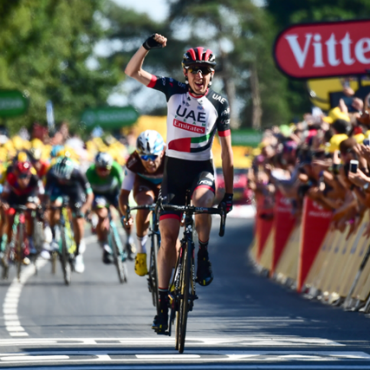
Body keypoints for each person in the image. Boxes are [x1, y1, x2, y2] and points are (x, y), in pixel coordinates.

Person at [125, 34, 234, 333]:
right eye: (194, 70)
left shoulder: (219, 103)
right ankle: (162, 307)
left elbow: (226, 152)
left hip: (202, 170)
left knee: (201, 204)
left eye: (205, 70)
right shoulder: (172, 90)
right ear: (185, 73)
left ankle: (203, 252)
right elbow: (131, 72)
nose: (200, 75)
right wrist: (146, 46)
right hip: (174, 173)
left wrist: (230, 194)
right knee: (168, 237)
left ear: (212, 74)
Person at [119, 130, 165, 276]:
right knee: (145, 205)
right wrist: (126, 214)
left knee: (171, 231)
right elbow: (124, 195)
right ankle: (141, 252)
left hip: (167, 185)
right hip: (144, 185)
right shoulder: (133, 161)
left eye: (154, 157)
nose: (150, 162)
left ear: (162, 152)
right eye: (144, 156)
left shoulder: (172, 156)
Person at [45, 156, 93, 273]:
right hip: (58, 190)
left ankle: (78, 251)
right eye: (59, 178)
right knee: (54, 205)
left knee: (78, 219)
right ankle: (54, 235)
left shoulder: (78, 173)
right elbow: (46, 195)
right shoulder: (51, 173)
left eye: (64, 178)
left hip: (74, 190)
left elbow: (89, 195)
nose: (62, 180)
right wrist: (45, 208)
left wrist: (83, 210)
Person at [86, 152, 129, 263]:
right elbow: (87, 194)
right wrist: (90, 210)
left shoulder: (116, 168)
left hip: (113, 192)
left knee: (124, 211)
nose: (103, 172)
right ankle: (104, 245)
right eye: (100, 169)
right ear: (95, 167)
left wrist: (122, 205)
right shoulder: (89, 173)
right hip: (98, 195)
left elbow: (123, 188)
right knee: (102, 214)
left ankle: (129, 239)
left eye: (106, 169)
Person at [1, 159, 45, 264]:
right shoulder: (10, 179)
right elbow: (3, 197)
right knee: (10, 215)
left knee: (29, 214)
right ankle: (8, 243)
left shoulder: (35, 179)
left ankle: (29, 239)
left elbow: (41, 196)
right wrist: (4, 203)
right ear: (16, 175)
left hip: (28, 198)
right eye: (21, 176)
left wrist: (37, 204)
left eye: (27, 176)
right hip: (13, 199)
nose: (24, 180)